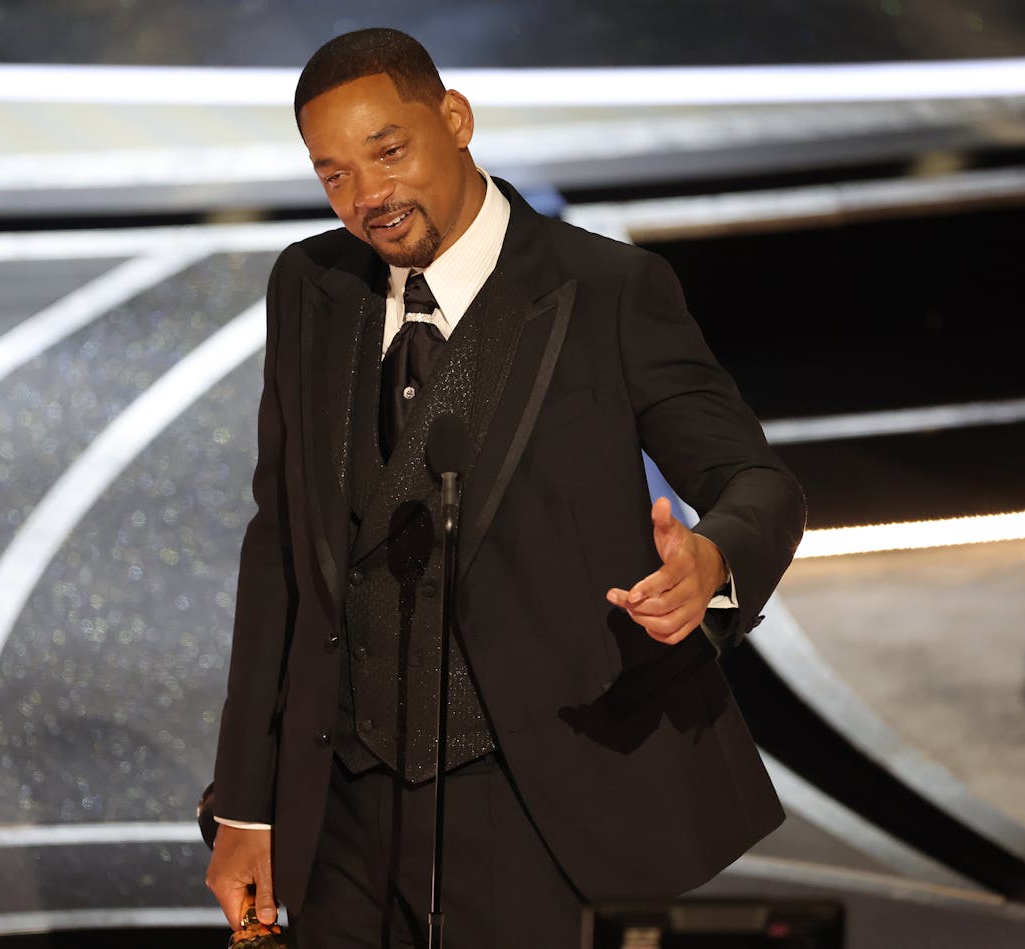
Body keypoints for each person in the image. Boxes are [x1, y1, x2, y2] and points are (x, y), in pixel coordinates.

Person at [205, 27, 806, 948]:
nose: (368, 198)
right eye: (333, 175)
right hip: (344, 811)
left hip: (533, 800)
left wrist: (713, 562)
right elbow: (280, 547)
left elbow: (756, 479)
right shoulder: (309, 288)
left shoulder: (607, 289)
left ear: (456, 120)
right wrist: (246, 805)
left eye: (389, 151)